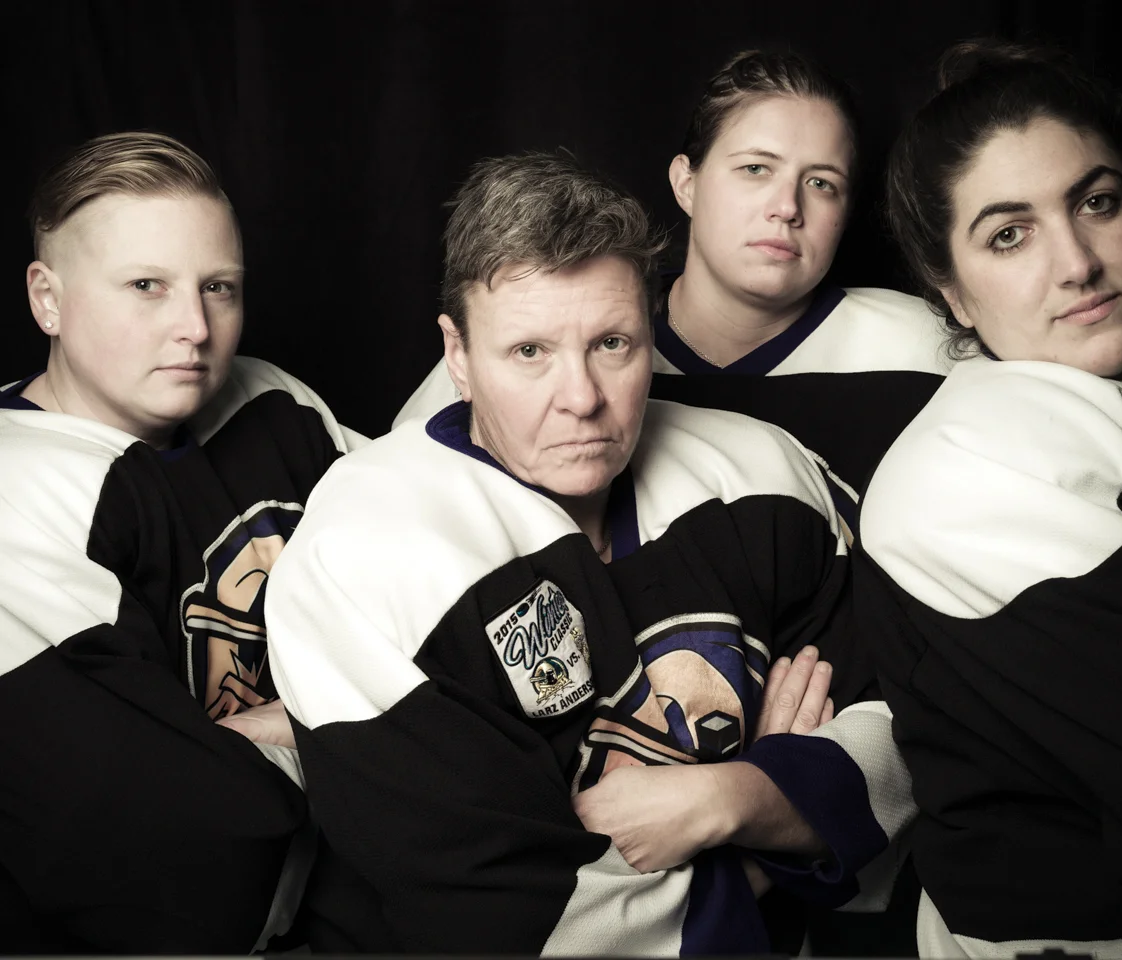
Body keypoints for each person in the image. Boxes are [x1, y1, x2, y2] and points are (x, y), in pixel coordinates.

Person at [265, 151, 915, 953]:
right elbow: (500, 909)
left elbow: (913, 719)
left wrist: (730, 798)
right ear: (458, 355)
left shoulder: (762, 473)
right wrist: (777, 832)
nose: (581, 397)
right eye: (529, 352)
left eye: (612, 343)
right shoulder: (361, 548)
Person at [856, 42, 1122, 958]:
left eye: (1096, 201)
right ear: (951, 291)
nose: (1078, 262)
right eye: (1009, 234)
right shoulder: (962, 472)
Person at [0, 131, 363, 952]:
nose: (195, 328)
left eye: (219, 288)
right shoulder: (15, 498)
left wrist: (275, 731)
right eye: (146, 287)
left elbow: (450, 596)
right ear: (46, 298)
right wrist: (360, 729)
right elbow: (178, 829)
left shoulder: (272, 395)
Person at [396, 50, 955, 516]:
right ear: (686, 183)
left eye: (821, 182)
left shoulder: (924, 349)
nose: (787, 207)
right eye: (755, 169)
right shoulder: (548, 333)